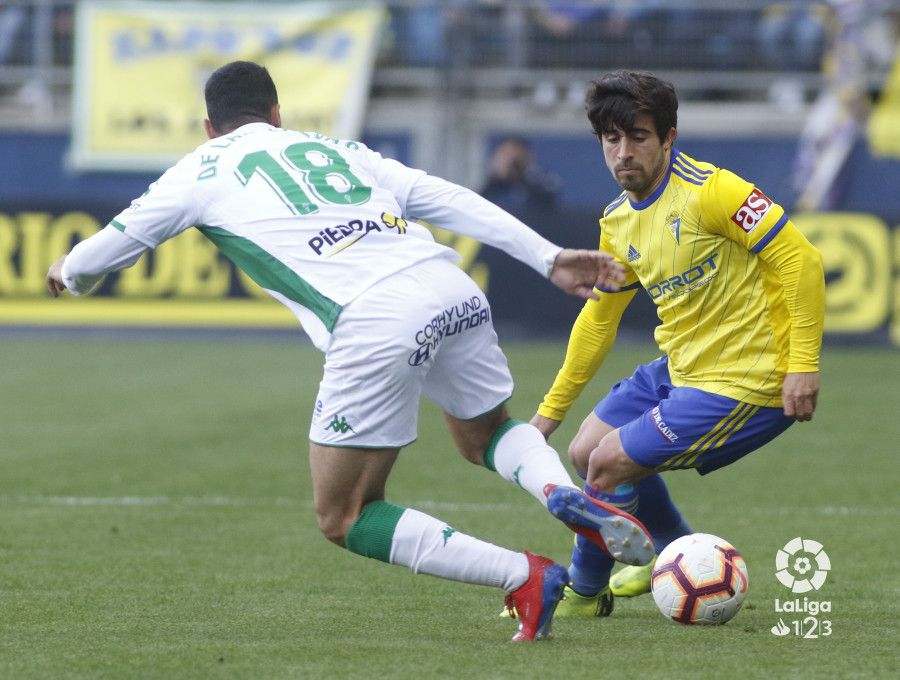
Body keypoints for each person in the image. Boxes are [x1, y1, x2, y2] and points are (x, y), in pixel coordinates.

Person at [45, 61, 655, 642]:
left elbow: (113, 244)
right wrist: (547, 257)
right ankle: (555, 491)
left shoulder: (198, 170)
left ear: (210, 127)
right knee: (487, 434)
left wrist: (69, 271)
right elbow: (439, 194)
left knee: (344, 515)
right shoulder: (335, 149)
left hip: (372, 317)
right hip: (447, 284)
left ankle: (525, 577)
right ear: (276, 113)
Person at [529, 70, 824, 617]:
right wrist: (548, 415)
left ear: (668, 138)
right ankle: (667, 553)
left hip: (747, 380)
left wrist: (802, 365)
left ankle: (581, 593)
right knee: (582, 451)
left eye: (638, 136)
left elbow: (799, 258)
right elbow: (598, 320)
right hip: (682, 366)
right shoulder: (618, 221)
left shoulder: (714, 191)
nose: (624, 152)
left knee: (608, 464)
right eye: (611, 139)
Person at [480, 136, 559, 214]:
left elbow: (546, 206)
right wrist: (497, 177)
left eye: (512, 153)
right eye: (504, 154)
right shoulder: (494, 187)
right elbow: (483, 206)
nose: (508, 159)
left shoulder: (539, 183)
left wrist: (519, 171)